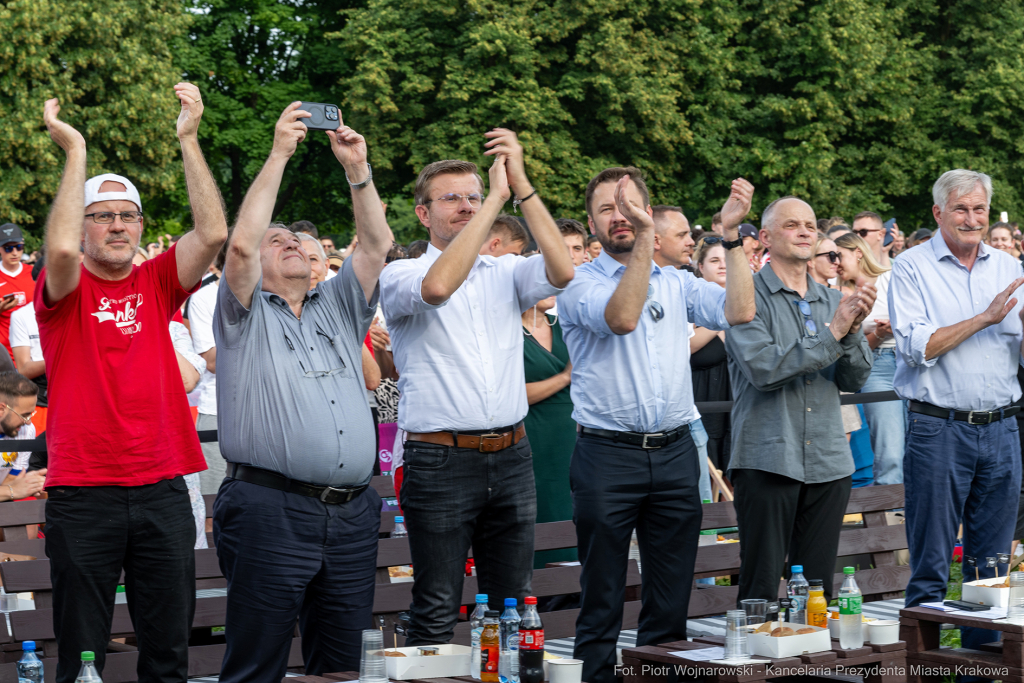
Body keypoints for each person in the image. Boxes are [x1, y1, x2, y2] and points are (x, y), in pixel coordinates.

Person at [37, 83, 227, 683]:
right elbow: (61, 246)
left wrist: (188, 140)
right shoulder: (63, 292)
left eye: (127, 216)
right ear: (85, 225)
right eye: (102, 217)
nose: (117, 226)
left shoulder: (156, 282)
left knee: (167, 651)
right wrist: (76, 154)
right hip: (85, 490)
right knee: (83, 653)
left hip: (164, 489)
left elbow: (214, 234)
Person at [211, 103, 391, 680]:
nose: (289, 241)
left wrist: (357, 171)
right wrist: (280, 153)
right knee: (257, 663)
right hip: (270, 508)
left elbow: (376, 245)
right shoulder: (241, 313)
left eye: (297, 238)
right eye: (276, 239)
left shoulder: (337, 305)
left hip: (353, 511)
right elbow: (239, 245)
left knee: (341, 666)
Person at [559, 167, 755, 683]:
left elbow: (740, 310)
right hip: (607, 454)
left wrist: (731, 237)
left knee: (670, 596)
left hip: (673, 451)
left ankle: (659, 677)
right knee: (601, 593)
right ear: (591, 222)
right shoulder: (576, 281)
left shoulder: (677, 281)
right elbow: (622, 316)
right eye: (608, 209)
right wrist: (649, 236)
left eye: (631, 207)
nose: (620, 217)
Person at [380, 130, 574, 644]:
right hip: (440, 459)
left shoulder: (505, 270)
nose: (466, 206)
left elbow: (563, 269)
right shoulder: (403, 271)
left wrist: (522, 186)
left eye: (472, 194)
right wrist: (493, 201)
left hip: (512, 452)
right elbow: (439, 287)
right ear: (423, 214)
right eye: (452, 198)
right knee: (438, 603)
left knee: (513, 603)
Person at [889, 169, 1024, 662]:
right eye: (962, 209)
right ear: (938, 213)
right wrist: (985, 318)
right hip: (938, 428)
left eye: (980, 209)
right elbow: (917, 347)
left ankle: (980, 674)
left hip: (1003, 427)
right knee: (930, 563)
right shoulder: (910, 268)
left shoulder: (1010, 266)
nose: (972, 219)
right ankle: (921, 669)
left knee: (991, 571)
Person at [726, 196, 875, 609]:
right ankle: (756, 671)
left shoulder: (831, 300)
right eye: (792, 225)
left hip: (829, 458)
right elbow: (764, 369)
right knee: (759, 589)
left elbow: (854, 378)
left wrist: (855, 330)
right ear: (767, 238)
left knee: (817, 593)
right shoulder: (744, 296)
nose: (806, 231)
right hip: (768, 455)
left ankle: (813, 664)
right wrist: (836, 332)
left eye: (811, 225)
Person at [834, 232, 905, 485]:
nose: (835, 262)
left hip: (911, 363)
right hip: (877, 365)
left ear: (858, 252)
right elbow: (846, 344)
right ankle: (892, 520)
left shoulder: (892, 277)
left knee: (919, 450)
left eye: (838, 255)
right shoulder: (838, 292)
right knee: (890, 454)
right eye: (830, 256)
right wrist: (877, 333)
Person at [521, 294, 575, 567]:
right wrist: (565, 376)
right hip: (532, 434)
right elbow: (512, 394)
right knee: (539, 508)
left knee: (574, 506)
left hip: (574, 434)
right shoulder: (508, 330)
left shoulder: (565, 325)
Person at [689, 238, 731, 474]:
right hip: (702, 403)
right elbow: (689, 346)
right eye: (715, 260)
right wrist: (725, 315)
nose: (723, 266)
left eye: (727, 261)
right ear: (701, 267)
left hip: (738, 404)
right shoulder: (690, 303)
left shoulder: (749, 305)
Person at [187, 248, 226, 496]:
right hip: (219, 413)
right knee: (214, 505)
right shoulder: (205, 298)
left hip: (271, 414)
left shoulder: (272, 294)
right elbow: (212, 361)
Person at [0, 371, 46, 500]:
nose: (29, 421)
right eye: (24, 415)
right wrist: (11, 491)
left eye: (31, 414)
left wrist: (28, 486)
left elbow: (13, 479)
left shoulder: (27, 430)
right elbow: (13, 489)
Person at [0, 224, 35, 360]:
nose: (15, 252)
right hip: (5, 356)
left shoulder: (34, 273)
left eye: (19, 247)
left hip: (34, 352)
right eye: (8, 248)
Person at [9, 299, 47, 408]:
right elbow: (24, 370)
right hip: (41, 397)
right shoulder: (22, 315)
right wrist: (62, 357)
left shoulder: (79, 311)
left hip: (78, 392)